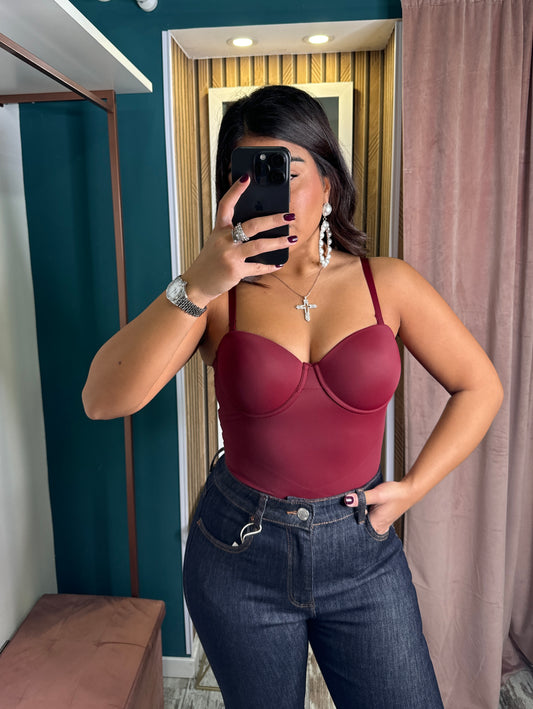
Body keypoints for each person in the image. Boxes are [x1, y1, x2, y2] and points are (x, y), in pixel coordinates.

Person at [82, 85, 503, 708]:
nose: (265, 191)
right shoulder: (216, 296)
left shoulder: (388, 283)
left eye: (285, 170)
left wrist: (414, 488)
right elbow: (102, 398)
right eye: (246, 175)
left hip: (361, 551)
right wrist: (195, 283)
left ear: (329, 182)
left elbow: (480, 386)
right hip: (239, 551)